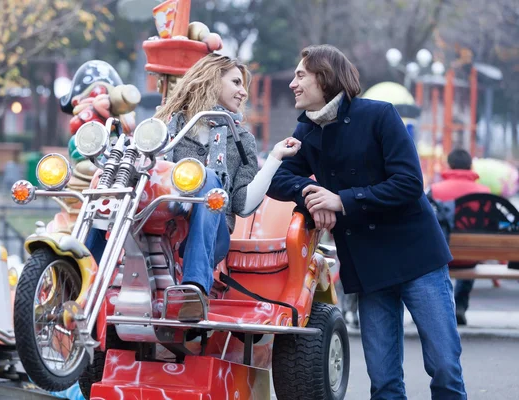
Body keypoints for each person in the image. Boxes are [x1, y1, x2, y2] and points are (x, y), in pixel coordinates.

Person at [267, 44, 466, 399]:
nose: (292, 84)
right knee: (384, 382)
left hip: (417, 257)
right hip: (368, 267)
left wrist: (341, 201)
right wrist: (315, 195)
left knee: (445, 368)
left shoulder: (379, 115)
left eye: (300, 75)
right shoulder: (306, 130)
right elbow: (279, 179)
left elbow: (408, 183)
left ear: (324, 78)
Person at [86, 53, 300, 322]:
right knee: (106, 183)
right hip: (158, 220)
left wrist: (275, 159)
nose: (243, 92)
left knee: (207, 177)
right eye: (236, 82)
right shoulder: (163, 126)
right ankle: (84, 271)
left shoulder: (241, 138)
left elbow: (242, 206)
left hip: (210, 232)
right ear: (212, 80)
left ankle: (194, 287)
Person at [430, 148, 491, 325]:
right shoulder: (484, 191)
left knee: (433, 262)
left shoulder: (435, 190)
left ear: (449, 165)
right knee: (468, 252)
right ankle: (460, 306)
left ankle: (442, 309)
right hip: (471, 256)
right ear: (470, 166)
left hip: (441, 255)